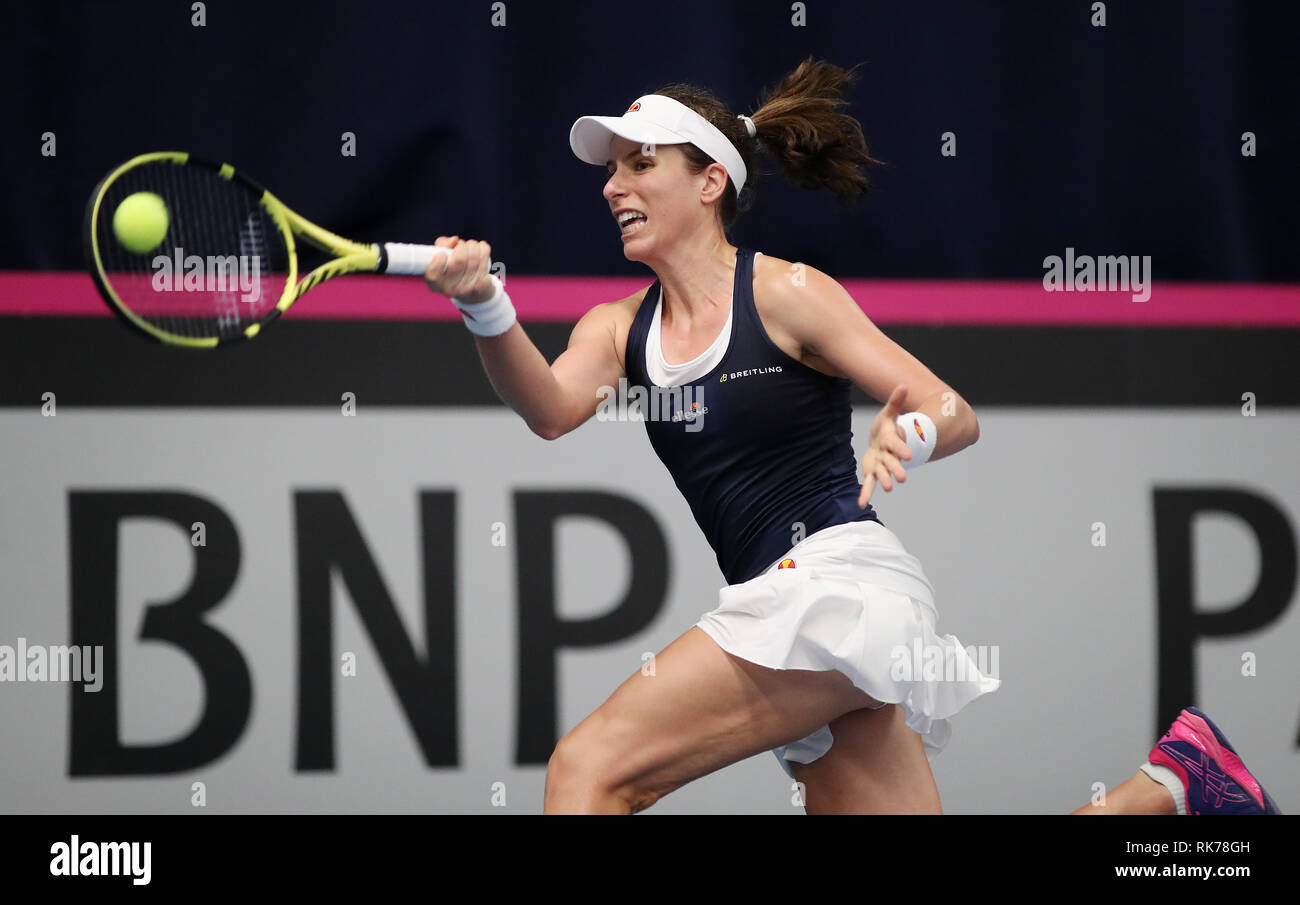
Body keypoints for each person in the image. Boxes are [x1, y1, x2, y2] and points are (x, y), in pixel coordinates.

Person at [422, 58, 1281, 816]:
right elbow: (547, 408)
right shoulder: (615, 329)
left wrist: (905, 427)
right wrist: (482, 304)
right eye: (612, 170)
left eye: (641, 164)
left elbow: (952, 408)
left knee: (589, 769)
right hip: (786, 606)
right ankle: (1172, 786)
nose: (614, 187)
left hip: (836, 593)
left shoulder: (789, 292)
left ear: (711, 181)